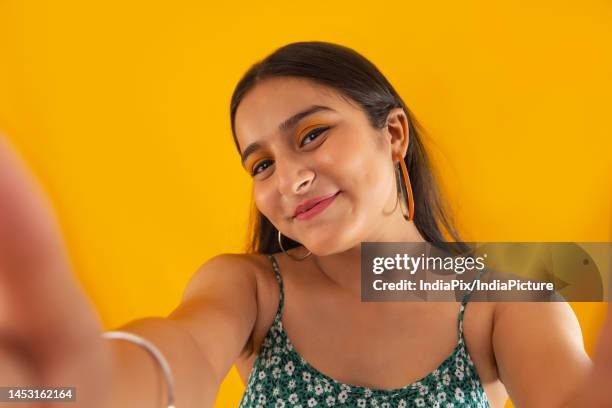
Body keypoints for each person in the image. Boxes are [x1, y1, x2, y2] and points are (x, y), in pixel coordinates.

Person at [0, 41, 610, 408]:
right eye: (261, 163)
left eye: (312, 134)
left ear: (392, 133)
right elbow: (178, 352)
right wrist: (82, 384)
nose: (288, 180)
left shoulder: (504, 291)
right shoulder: (251, 288)